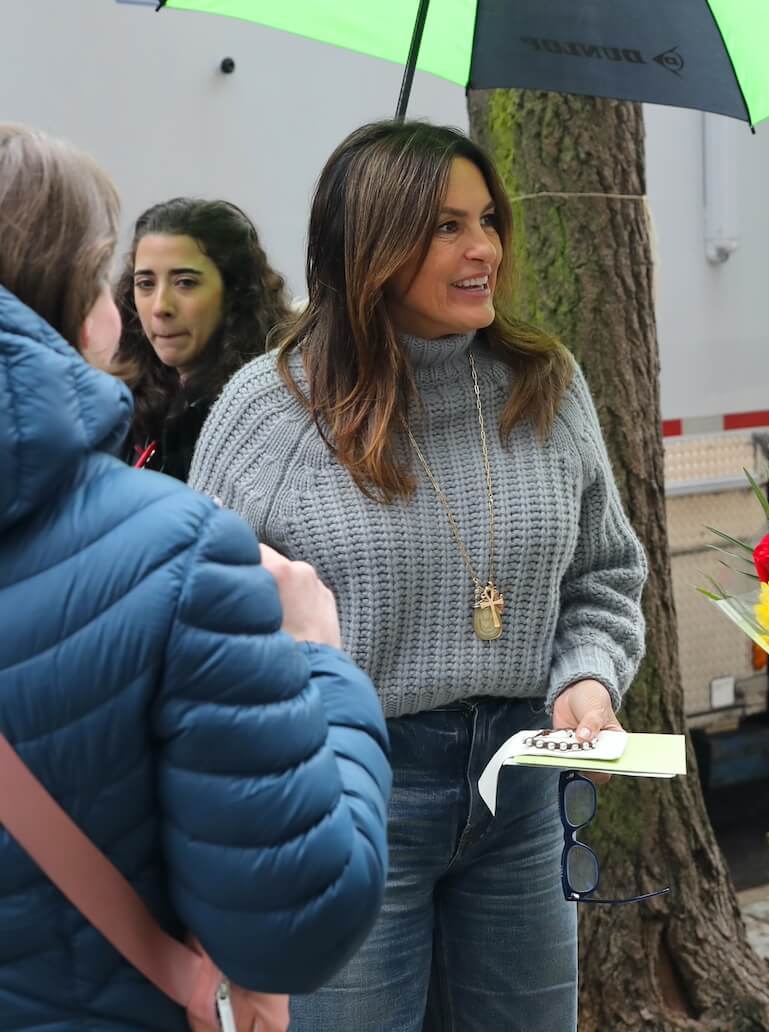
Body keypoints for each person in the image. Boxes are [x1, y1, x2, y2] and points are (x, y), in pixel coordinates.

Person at [189, 120, 649, 1031]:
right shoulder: (274, 407)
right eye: (444, 226)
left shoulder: (544, 384)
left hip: (523, 791)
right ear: (370, 244)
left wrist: (589, 676)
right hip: (348, 796)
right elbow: (199, 625)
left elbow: (603, 576)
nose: (484, 249)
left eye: (487, 220)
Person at [0, 123, 391, 1029]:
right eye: (130, 278)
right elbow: (295, 916)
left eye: (184, 281)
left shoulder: (277, 404)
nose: (152, 305)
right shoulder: (175, 543)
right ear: (84, 299)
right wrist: (321, 660)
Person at [113, 197, 291, 480]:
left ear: (235, 292)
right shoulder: (125, 402)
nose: (160, 307)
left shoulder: (270, 412)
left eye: (185, 282)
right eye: (145, 284)